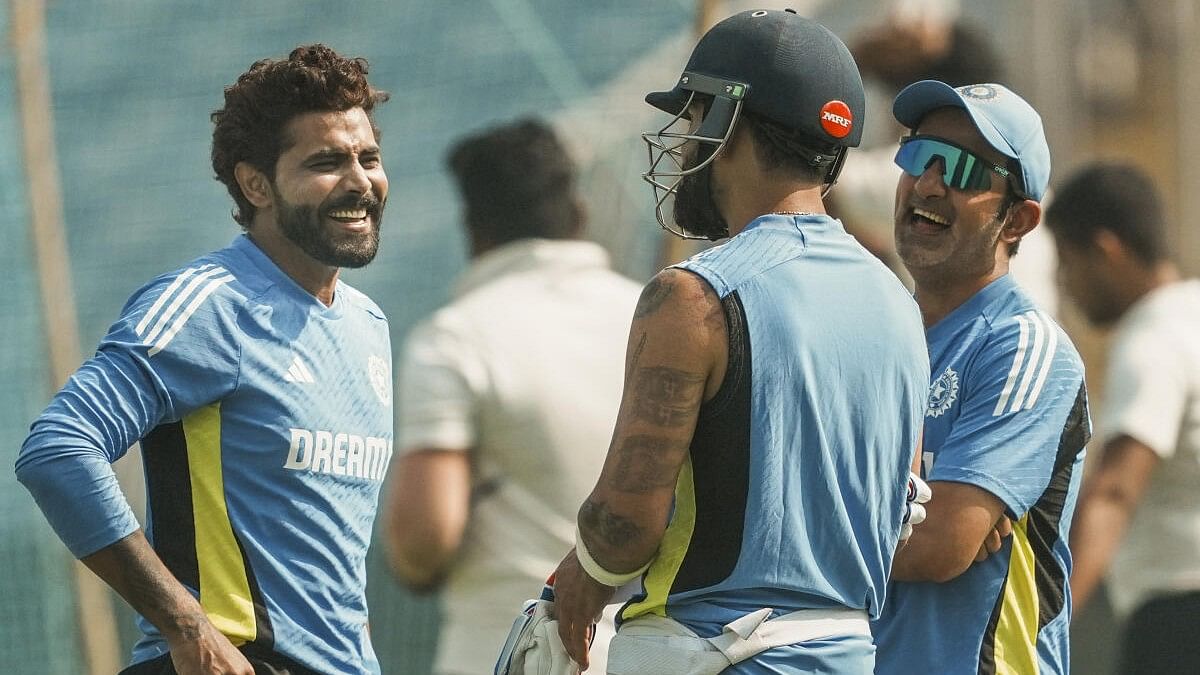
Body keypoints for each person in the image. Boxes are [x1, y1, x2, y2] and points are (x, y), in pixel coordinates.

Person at [551, 10, 930, 673]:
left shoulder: (693, 296)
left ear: (729, 124)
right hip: (850, 651)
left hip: (712, 652)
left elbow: (622, 528)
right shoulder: (900, 303)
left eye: (696, 114)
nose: (686, 140)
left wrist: (582, 570)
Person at [15, 44, 393, 675]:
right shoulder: (208, 306)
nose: (359, 181)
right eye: (327, 162)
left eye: (369, 157)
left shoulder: (368, 324)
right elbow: (58, 449)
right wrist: (186, 625)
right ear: (256, 184)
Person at [384, 118, 641, 674]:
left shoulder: (453, 340)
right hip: (644, 652)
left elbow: (425, 540)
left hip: (502, 651)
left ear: (475, 229)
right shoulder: (655, 319)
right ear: (579, 213)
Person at [870, 80, 1091, 675]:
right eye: (918, 156)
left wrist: (798, 525)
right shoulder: (875, 338)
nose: (930, 184)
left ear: (1017, 221)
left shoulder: (1024, 346)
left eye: (966, 171)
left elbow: (941, 545)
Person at [1046, 162, 1200, 675]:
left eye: (1067, 262)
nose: (1065, 284)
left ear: (1106, 250)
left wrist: (1048, 617)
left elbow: (1116, 491)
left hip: (1178, 615)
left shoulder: (1151, 340)